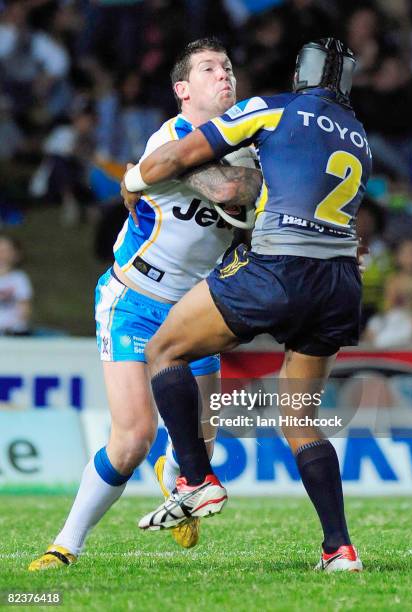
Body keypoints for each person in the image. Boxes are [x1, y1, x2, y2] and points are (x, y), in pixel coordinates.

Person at [123, 38, 372, 572]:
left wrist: (131, 178)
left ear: (301, 70)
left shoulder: (274, 107)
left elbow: (180, 157)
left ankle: (194, 478)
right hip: (341, 283)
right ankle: (339, 548)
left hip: (280, 268)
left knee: (165, 347)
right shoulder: (359, 137)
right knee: (299, 414)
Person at [28, 37, 262, 571]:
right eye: (208, 68)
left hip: (196, 308)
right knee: (133, 437)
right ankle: (65, 546)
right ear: (183, 89)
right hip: (135, 297)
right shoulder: (175, 137)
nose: (223, 74)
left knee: (199, 448)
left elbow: (246, 189)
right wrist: (261, 186)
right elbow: (230, 190)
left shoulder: (253, 143)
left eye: (227, 67)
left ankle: (176, 482)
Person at [0, 234, 32, 335]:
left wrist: (16, 326)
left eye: (6, 250)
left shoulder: (19, 278)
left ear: (14, 254)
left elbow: (25, 307)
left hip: (13, 332)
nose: (1, 254)